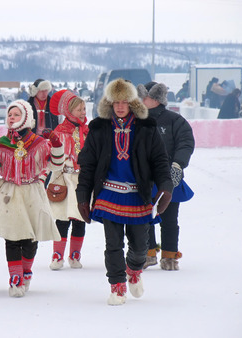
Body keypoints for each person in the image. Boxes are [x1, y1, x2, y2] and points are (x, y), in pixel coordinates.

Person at [76, 78, 173, 305]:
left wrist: (166, 188)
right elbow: (87, 164)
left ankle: (134, 269)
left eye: (124, 101)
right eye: (115, 102)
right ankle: (117, 286)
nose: (120, 106)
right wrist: (83, 196)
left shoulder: (146, 128)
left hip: (137, 196)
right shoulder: (99, 128)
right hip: (108, 195)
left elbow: (160, 161)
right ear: (109, 103)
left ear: (132, 103)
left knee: (141, 248)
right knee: (113, 244)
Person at [0, 99, 64, 297]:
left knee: (30, 240)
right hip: (9, 193)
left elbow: (56, 166)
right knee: (11, 237)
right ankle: (15, 278)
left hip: (32, 192)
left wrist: (56, 143)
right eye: (9, 114)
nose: (12, 118)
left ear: (26, 118)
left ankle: (26, 270)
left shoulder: (38, 143)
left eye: (16, 114)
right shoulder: (1, 143)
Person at [137, 82, 195, 271]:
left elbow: (185, 142)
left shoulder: (175, 120)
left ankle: (170, 256)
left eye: (143, 97)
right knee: (144, 217)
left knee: (169, 218)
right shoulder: (136, 120)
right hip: (143, 178)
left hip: (169, 178)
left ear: (154, 98)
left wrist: (178, 165)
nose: (140, 100)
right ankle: (148, 253)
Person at [46, 90, 89, 270]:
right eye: (79, 109)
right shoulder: (59, 132)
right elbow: (51, 156)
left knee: (80, 217)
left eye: (84, 109)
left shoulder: (87, 131)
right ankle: (57, 255)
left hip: (82, 180)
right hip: (63, 179)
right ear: (69, 111)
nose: (83, 113)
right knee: (62, 218)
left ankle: (75, 255)